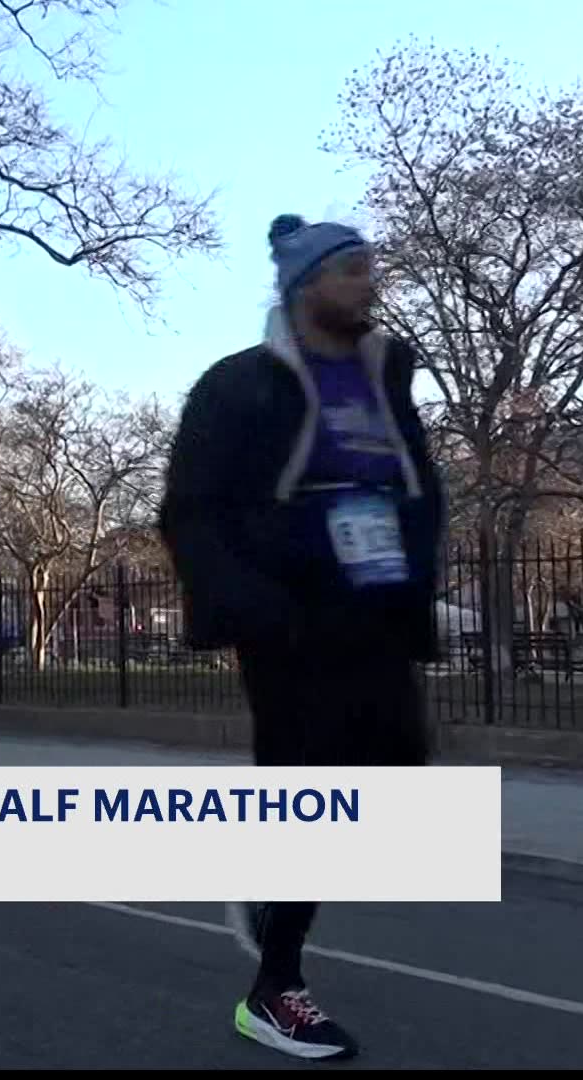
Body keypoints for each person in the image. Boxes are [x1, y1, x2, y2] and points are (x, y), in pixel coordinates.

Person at [158, 215, 446, 1062]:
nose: (371, 282)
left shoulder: (387, 375)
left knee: (395, 771)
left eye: (372, 267)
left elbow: (418, 487)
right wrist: (249, 604)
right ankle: (275, 990)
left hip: (377, 608)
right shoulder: (239, 385)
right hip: (288, 615)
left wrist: (416, 575)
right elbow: (189, 511)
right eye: (353, 269)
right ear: (306, 283)